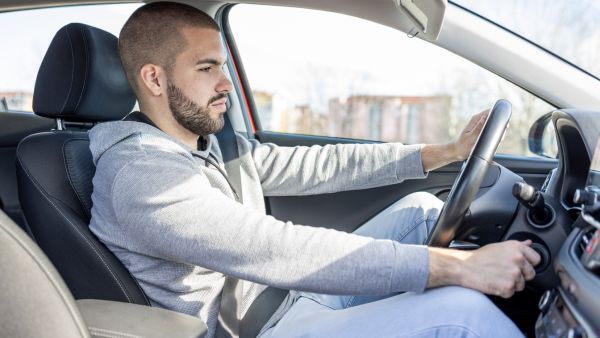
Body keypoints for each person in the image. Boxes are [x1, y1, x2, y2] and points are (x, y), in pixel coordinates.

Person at [88, 2, 541, 337]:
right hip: (253, 328)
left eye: (223, 66)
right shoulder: (141, 174)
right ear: (154, 79)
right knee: (465, 314)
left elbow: (319, 165)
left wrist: (442, 152)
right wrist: (458, 268)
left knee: (423, 209)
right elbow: (270, 248)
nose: (225, 83)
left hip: (278, 295)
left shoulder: (209, 146)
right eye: (207, 68)